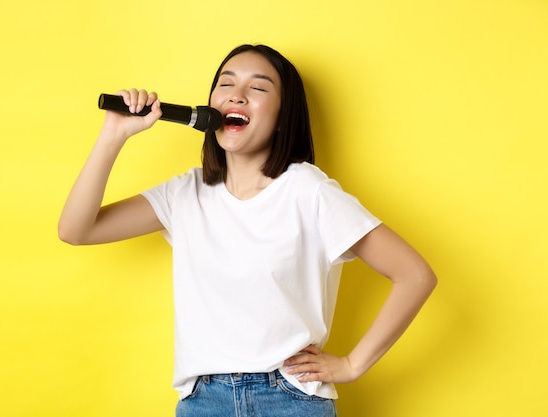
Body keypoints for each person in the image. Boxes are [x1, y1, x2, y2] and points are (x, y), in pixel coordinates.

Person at [58, 44, 437, 417]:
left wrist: (353, 364)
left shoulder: (309, 191)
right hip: (202, 401)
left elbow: (415, 275)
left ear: (283, 114)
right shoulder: (184, 193)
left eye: (257, 88)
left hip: (290, 399)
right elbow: (76, 229)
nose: (237, 96)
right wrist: (114, 135)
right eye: (226, 85)